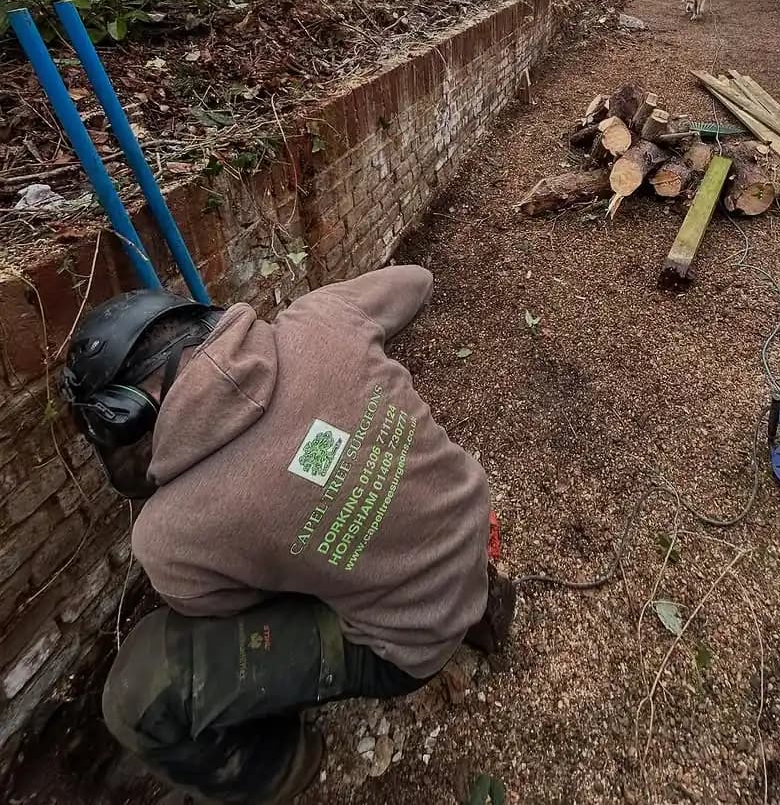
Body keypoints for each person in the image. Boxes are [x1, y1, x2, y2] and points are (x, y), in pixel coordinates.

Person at [60, 268, 514, 804]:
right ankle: (482, 605)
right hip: (468, 531)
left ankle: (282, 768)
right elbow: (417, 279)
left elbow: (244, 608)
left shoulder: (167, 536)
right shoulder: (321, 320)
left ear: (125, 419)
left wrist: (296, 516)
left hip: (408, 647)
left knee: (137, 691)